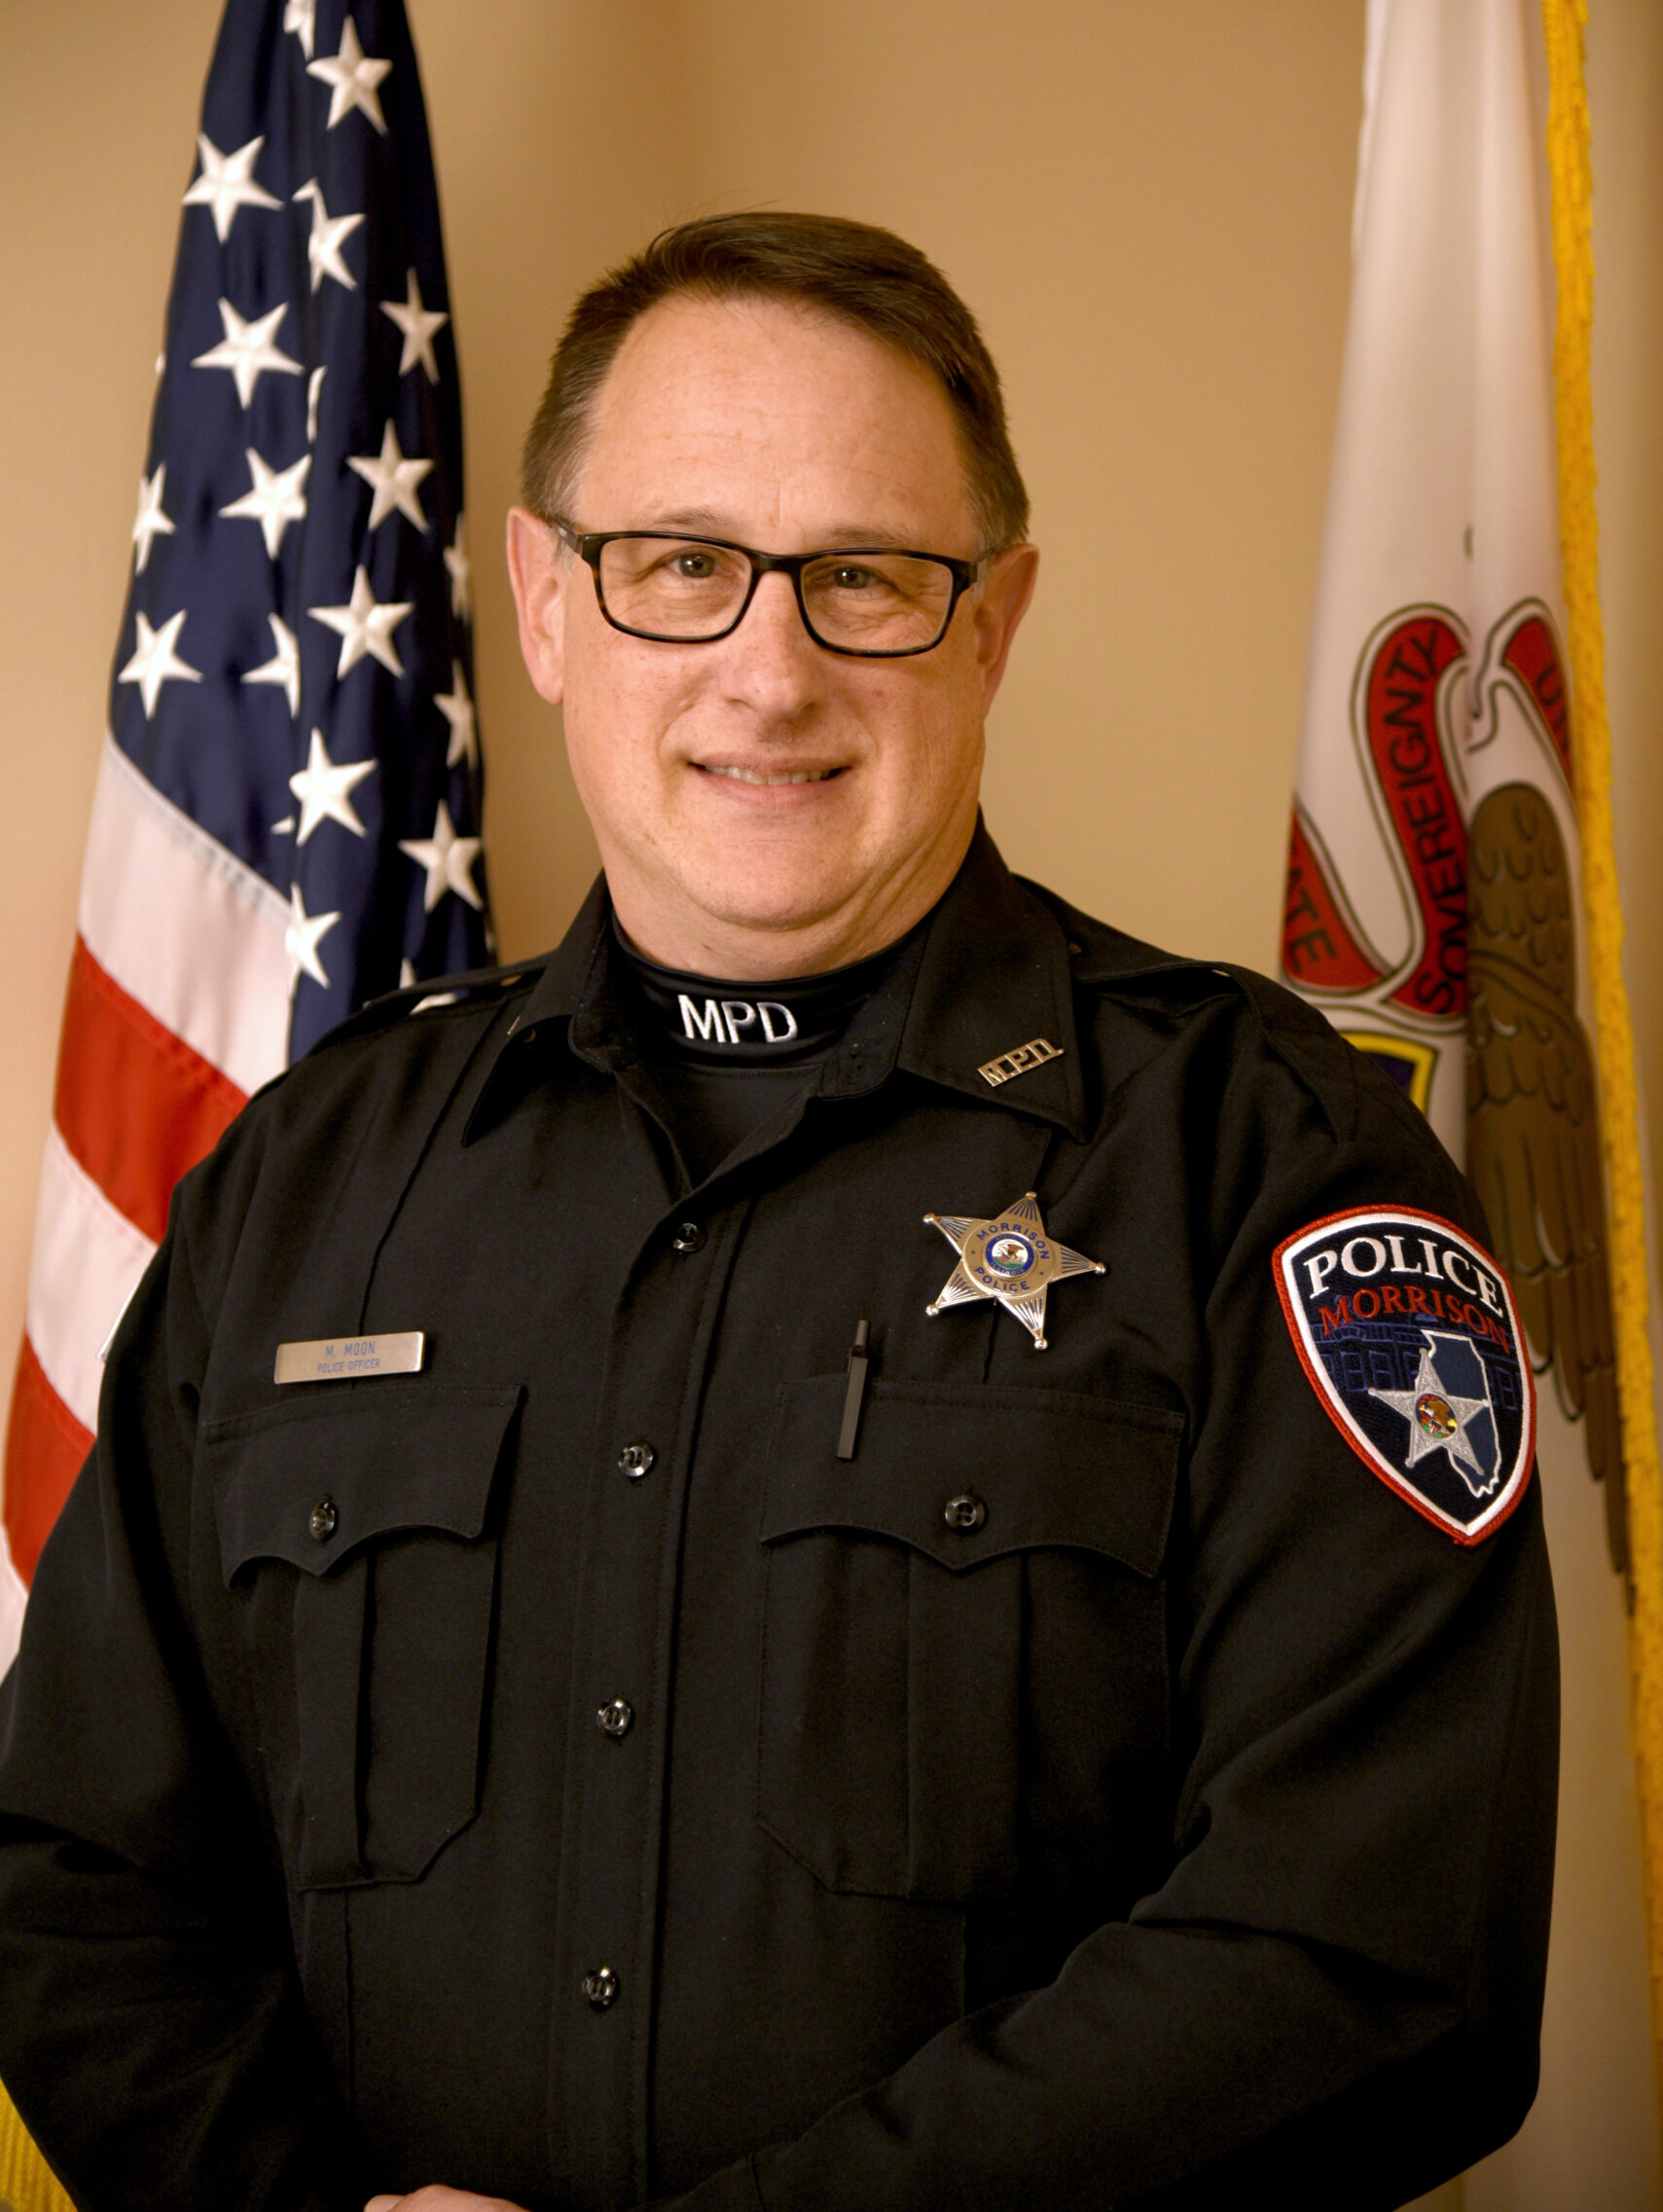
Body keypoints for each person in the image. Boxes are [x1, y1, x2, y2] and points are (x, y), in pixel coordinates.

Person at [0, 213, 1556, 2212]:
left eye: (867, 578)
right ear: (547, 604)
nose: (771, 664)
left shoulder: (1268, 1163)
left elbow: (1381, 1954)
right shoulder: (310, 1178)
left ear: (993, 620)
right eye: (678, 565)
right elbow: (75, 1866)